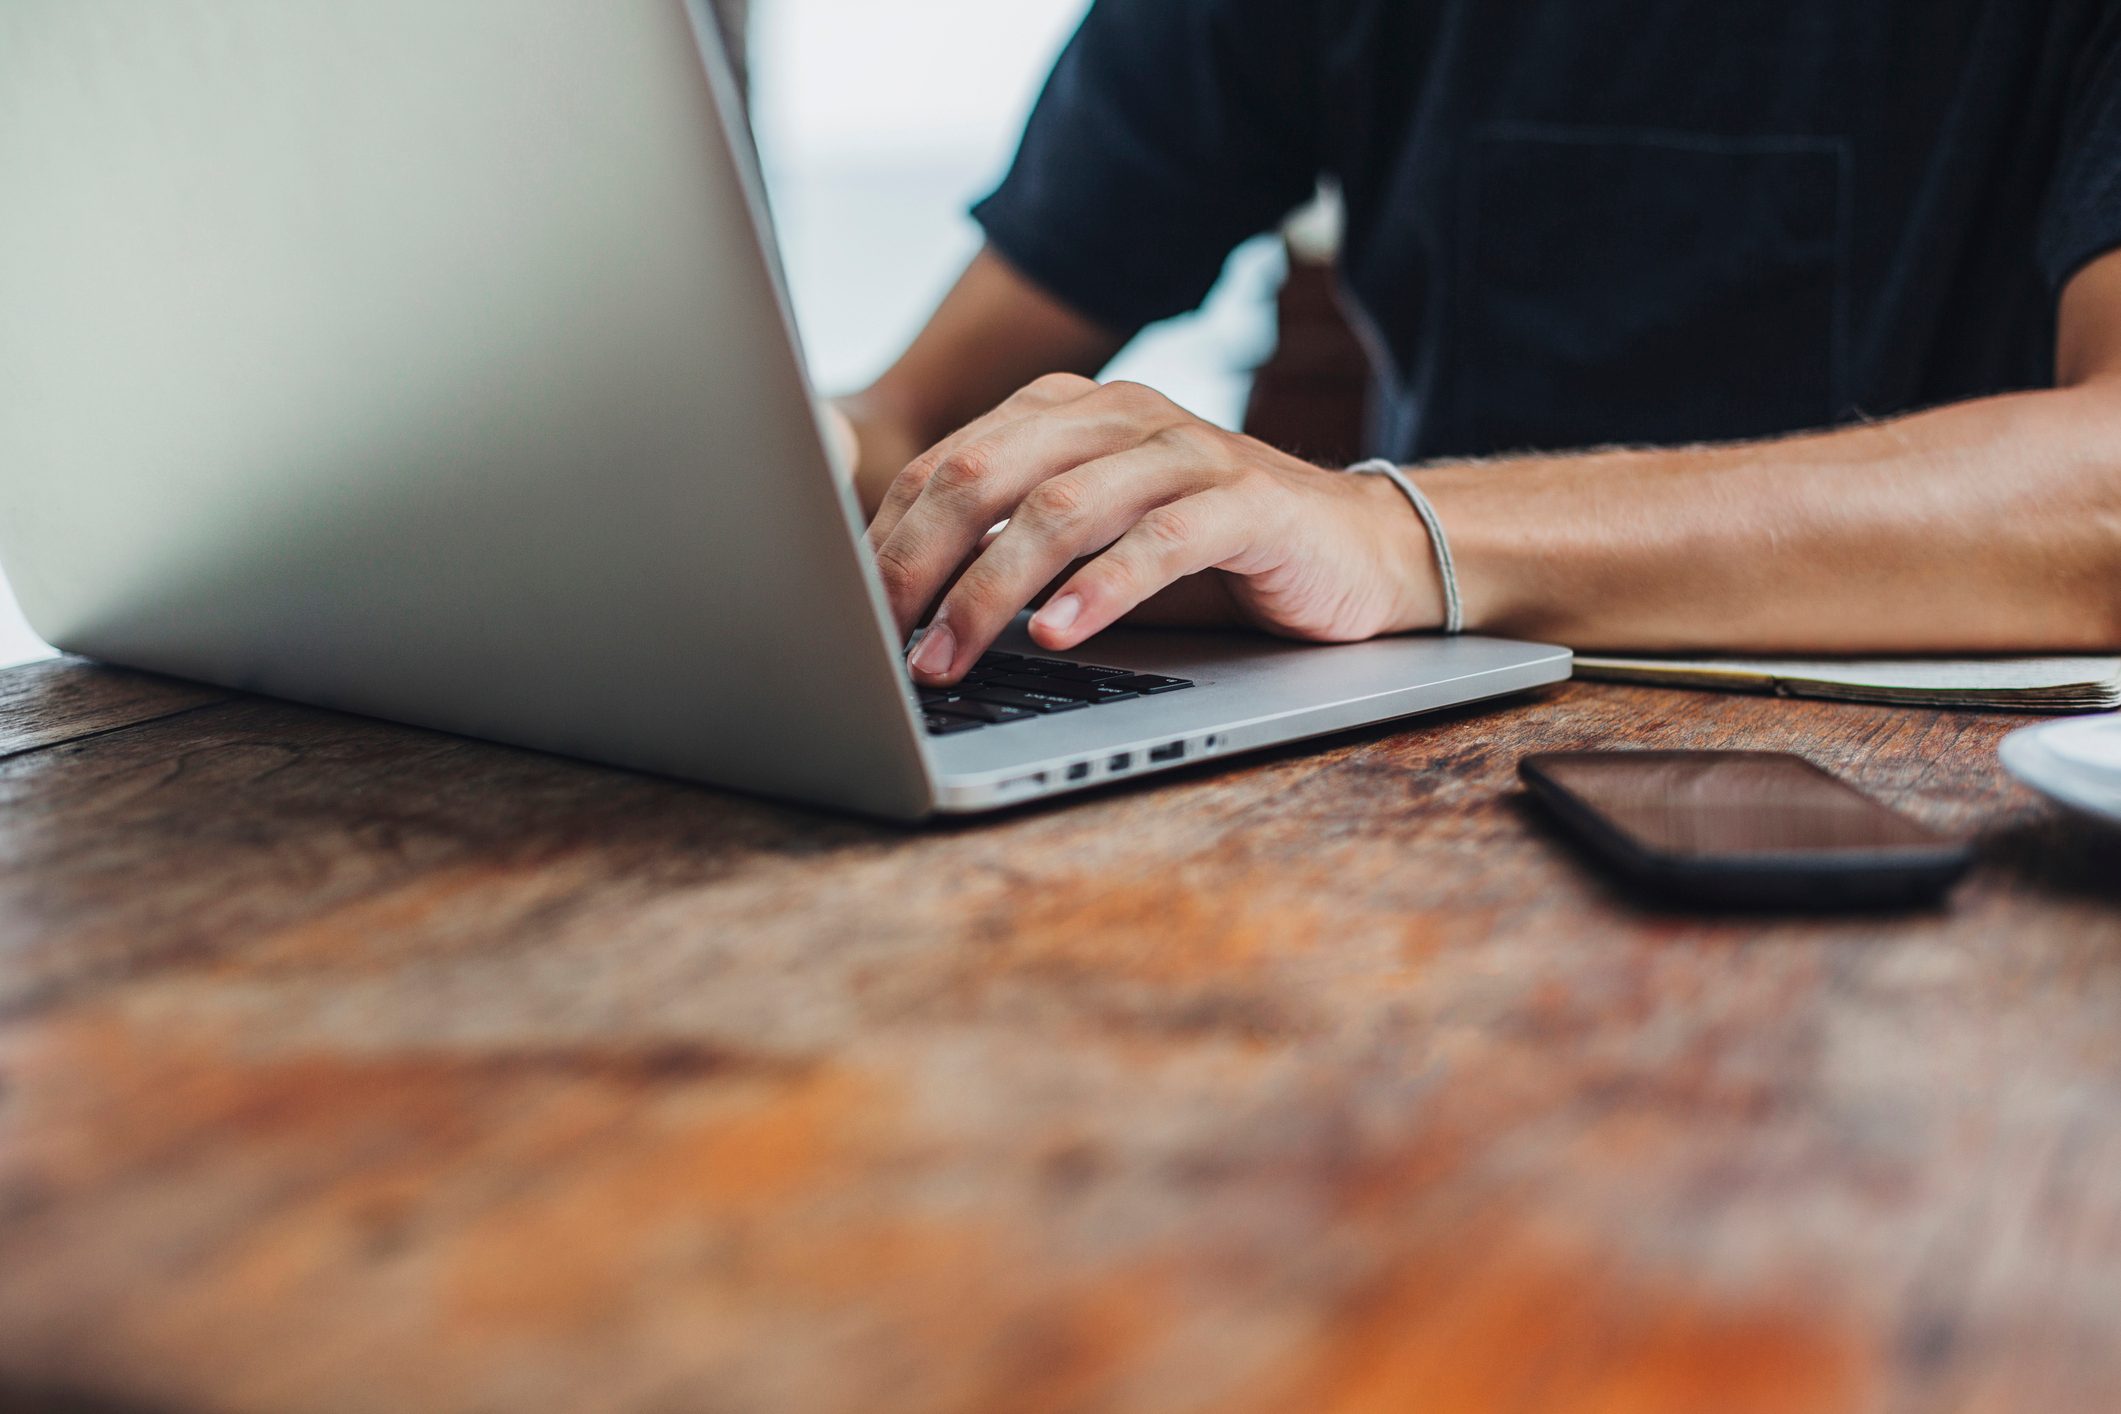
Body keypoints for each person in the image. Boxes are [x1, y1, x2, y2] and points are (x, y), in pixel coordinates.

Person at [829, 1, 2121, 688]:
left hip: (1942, 806)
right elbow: (913, 417)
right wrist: (781, 460)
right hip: (1414, 756)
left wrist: (1393, 534)